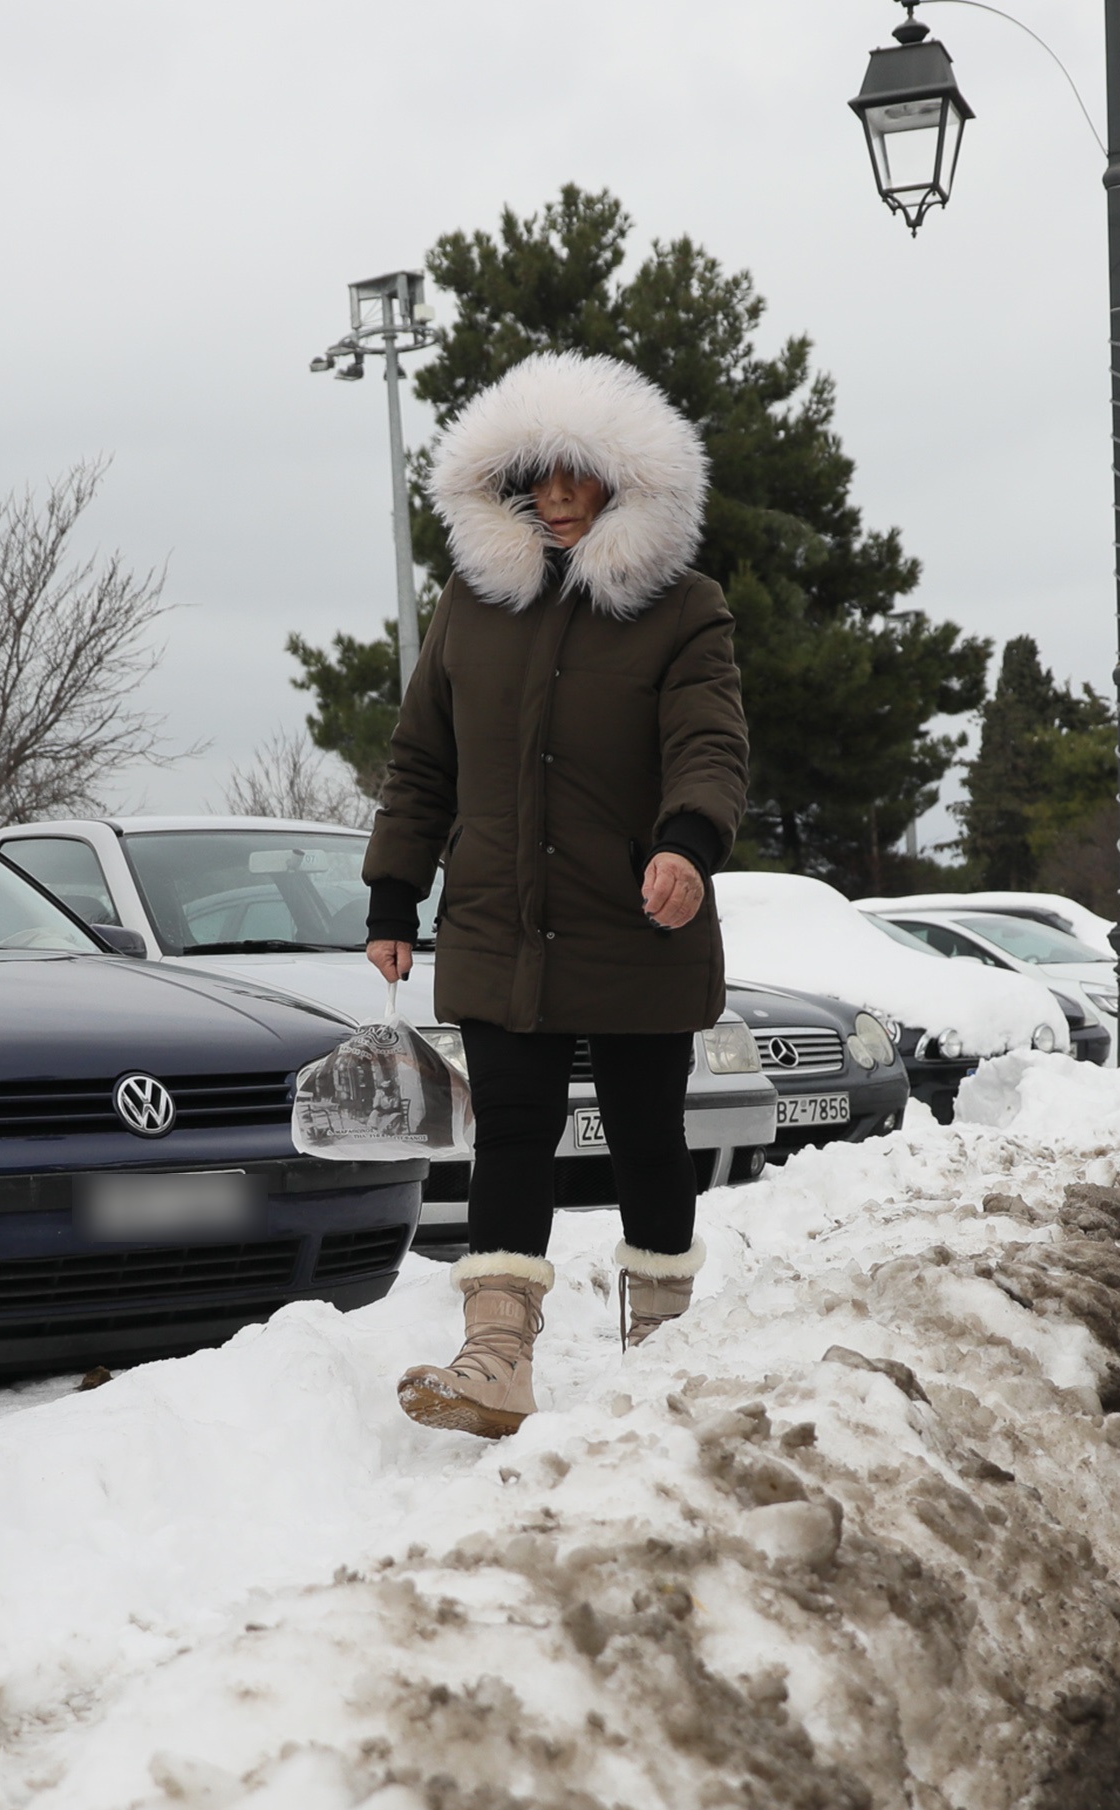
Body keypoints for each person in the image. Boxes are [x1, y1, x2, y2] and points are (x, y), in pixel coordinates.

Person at [360, 351, 748, 1438]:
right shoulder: (471, 608)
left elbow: (710, 744)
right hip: (499, 919)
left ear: (627, 485)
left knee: (644, 1135)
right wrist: (395, 891)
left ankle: (663, 1332)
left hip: (637, 917)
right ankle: (496, 1359)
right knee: (514, 1129)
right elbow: (421, 760)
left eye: (583, 479)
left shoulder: (684, 610)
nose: (562, 500)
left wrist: (685, 845)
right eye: (542, 479)